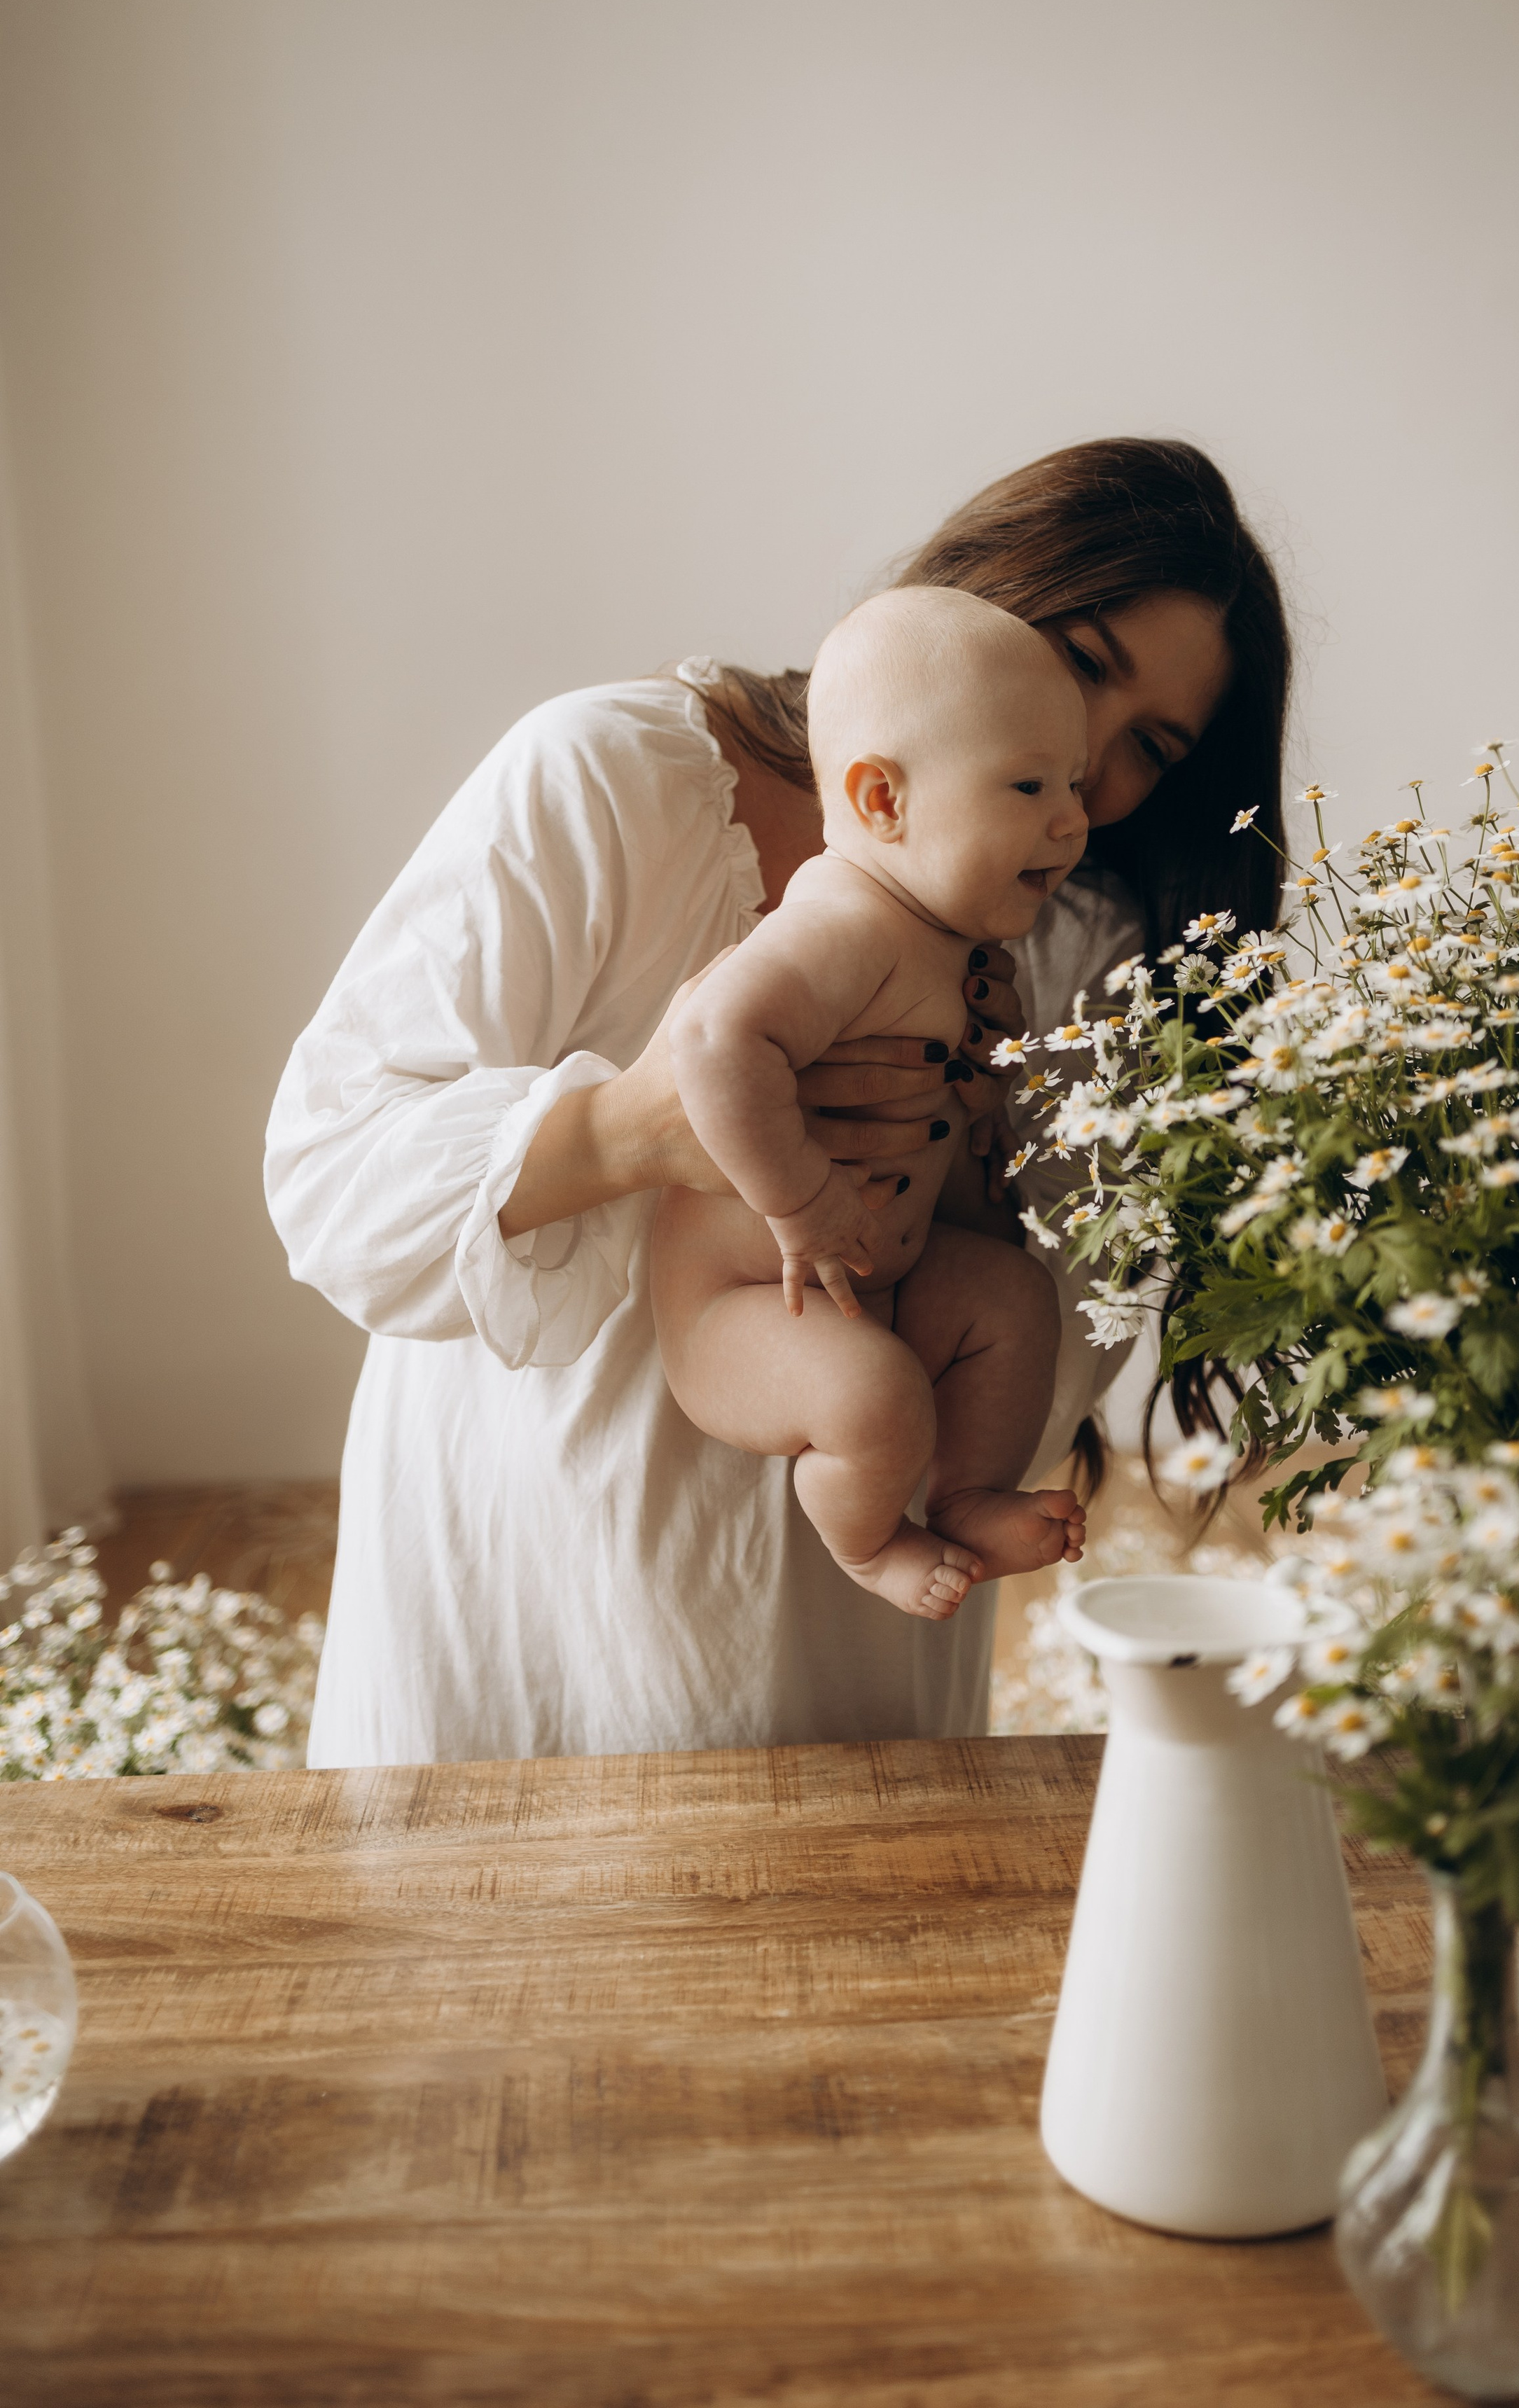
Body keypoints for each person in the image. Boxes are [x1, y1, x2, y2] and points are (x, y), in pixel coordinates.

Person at [265, 436, 1291, 1766]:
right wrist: (640, 1133)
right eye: (1088, 660)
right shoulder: (615, 776)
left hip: (857, 1629)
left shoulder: (1075, 933)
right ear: (980, 590)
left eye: (1152, 746)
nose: (1087, 762)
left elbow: (1051, 1356)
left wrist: (979, 1184)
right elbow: (332, 1180)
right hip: (540, 1605)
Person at [654, 590, 1089, 1619]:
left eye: (1073, 782)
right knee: (872, 1393)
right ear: (882, 802)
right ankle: (869, 1542)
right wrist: (800, 1205)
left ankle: (968, 1491)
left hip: (874, 1275)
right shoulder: (843, 920)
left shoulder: (955, 943)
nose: (1072, 819)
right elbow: (715, 1041)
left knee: (1014, 1302)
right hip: (750, 1302)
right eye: (1029, 785)